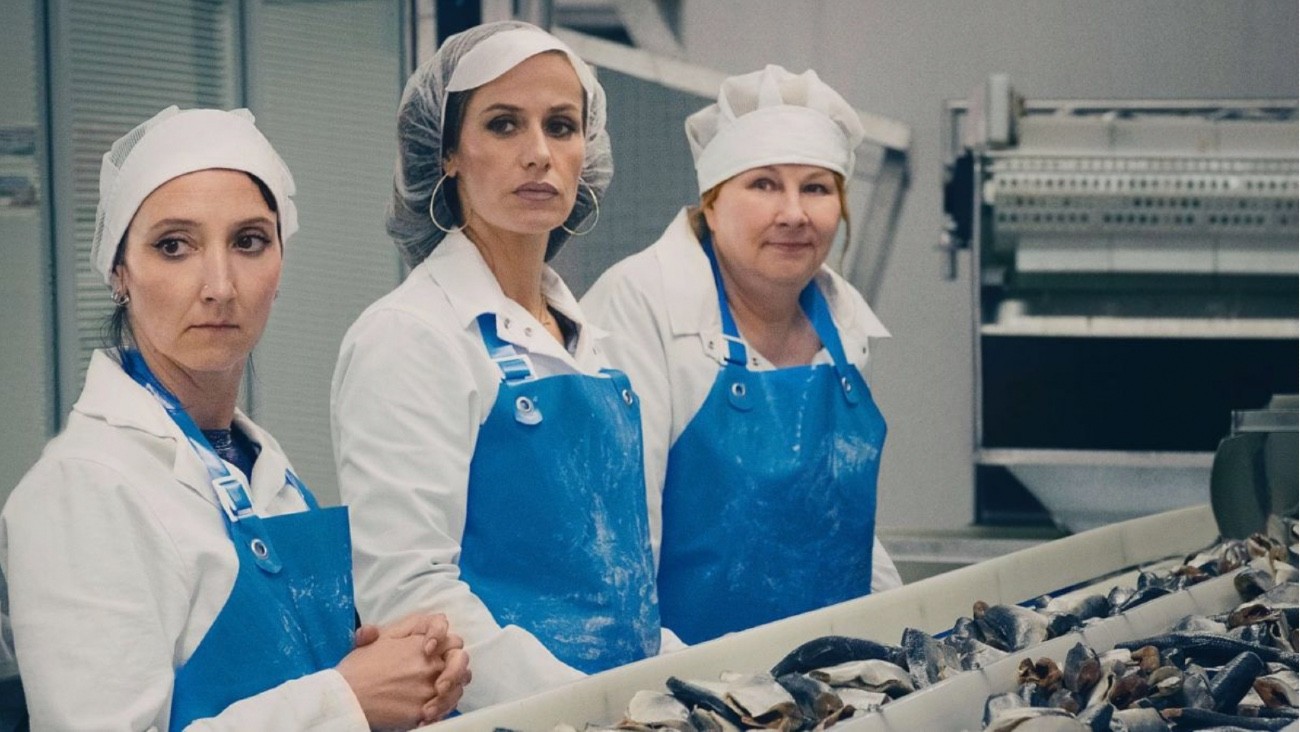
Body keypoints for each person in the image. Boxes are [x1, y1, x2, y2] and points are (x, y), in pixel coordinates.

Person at [0, 106, 470, 731]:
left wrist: (402, 670)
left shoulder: (261, 470)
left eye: (249, 242)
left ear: (280, 268)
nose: (220, 285)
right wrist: (344, 700)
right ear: (119, 271)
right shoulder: (79, 492)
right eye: (174, 246)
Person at [331, 21, 662, 711]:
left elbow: (624, 593)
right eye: (505, 125)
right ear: (447, 152)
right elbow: (412, 597)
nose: (539, 154)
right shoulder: (411, 336)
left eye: (562, 126)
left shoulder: (596, 347)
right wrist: (589, 713)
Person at [582, 65, 904, 645]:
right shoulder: (640, 304)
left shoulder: (844, 322)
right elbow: (620, 555)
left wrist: (899, 640)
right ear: (711, 203)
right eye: (763, 184)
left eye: (816, 187)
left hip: (827, 686)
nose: (793, 214)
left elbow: (844, 531)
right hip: (680, 682)